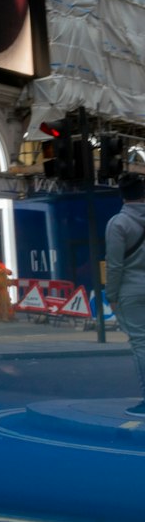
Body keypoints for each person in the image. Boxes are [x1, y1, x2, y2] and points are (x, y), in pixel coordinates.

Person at [105, 171, 145, 414]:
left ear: (122, 196)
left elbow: (115, 264)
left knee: (141, 343)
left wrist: (111, 295)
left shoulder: (118, 223)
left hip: (131, 290)